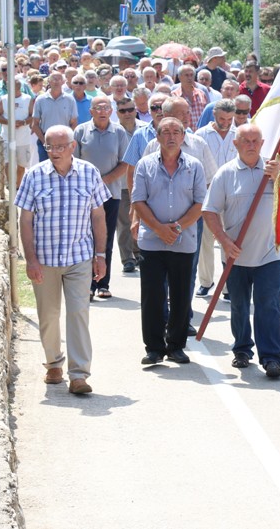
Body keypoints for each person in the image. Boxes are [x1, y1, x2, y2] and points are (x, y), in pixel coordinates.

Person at [15, 125, 109, 396]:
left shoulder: (89, 173)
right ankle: (54, 363)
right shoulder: (34, 176)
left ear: (72, 147)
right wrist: (30, 260)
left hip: (79, 257)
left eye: (59, 146)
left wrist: (100, 255)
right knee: (49, 314)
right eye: (49, 146)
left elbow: (99, 216)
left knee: (79, 312)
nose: (53, 152)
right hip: (44, 258)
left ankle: (79, 374)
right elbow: (26, 220)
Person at [202, 124, 280, 378]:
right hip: (234, 256)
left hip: (269, 254)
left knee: (267, 305)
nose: (250, 144)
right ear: (235, 145)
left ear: (262, 143)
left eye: (255, 140)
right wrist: (224, 240)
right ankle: (242, 349)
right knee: (238, 305)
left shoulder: (273, 171)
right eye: (245, 140)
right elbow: (209, 210)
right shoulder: (225, 174)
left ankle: (271, 357)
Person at [131, 117, 207, 366]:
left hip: (183, 241)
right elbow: (138, 201)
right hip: (152, 242)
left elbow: (200, 203)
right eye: (166, 132)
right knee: (152, 295)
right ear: (157, 136)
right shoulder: (144, 165)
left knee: (181, 294)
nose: (171, 136)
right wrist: (158, 229)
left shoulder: (195, 166)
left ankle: (175, 346)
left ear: (183, 136)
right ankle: (153, 347)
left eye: (176, 131)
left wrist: (176, 228)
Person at [74, 95, 129, 301]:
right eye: (98, 107)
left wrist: (102, 181)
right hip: (84, 195)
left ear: (111, 111)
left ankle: (103, 283)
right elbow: (75, 162)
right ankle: (87, 283)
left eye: (106, 107)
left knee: (105, 238)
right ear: (91, 111)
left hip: (111, 194)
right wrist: (90, 185)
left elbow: (125, 163)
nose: (102, 111)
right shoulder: (81, 131)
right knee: (85, 237)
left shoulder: (119, 131)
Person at [194, 99, 238, 297]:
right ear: (214, 115)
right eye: (222, 118)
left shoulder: (239, 134)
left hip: (233, 193)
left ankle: (229, 285)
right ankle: (206, 280)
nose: (226, 122)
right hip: (206, 193)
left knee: (229, 238)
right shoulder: (200, 135)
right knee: (205, 239)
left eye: (230, 119)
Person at [115, 95, 147, 272]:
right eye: (122, 111)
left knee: (142, 219)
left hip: (143, 183)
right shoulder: (113, 130)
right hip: (121, 184)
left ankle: (139, 252)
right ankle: (127, 258)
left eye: (130, 109)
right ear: (117, 113)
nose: (127, 113)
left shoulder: (145, 129)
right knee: (124, 222)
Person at [0, 71, 37, 187]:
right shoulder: (4, 99)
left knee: (22, 163)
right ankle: (10, 184)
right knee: (8, 161)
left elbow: (32, 115)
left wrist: (23, 122)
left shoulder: (28, 99)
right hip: (8, 136)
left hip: (23, 138)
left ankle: (18, 186)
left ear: (18, 88)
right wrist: (9, 122)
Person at [31, 72, 78, 162]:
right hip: (45, 141)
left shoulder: (70, 99)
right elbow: (35, 124)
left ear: (63, 81)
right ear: (48, 81)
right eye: (54, 79)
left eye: (59, 79)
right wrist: (44, 142)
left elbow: (74, 123)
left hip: (64, 142)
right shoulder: (40, 100)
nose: (56, 81)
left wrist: (67, 140)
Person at [171, 64, 210, 130]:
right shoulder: (174, 95)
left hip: (200, 135)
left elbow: (208, 114)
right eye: (186, 75)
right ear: (180, 77)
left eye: (191, 75)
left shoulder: (201, 94)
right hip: (182, 134)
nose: (189, 78)